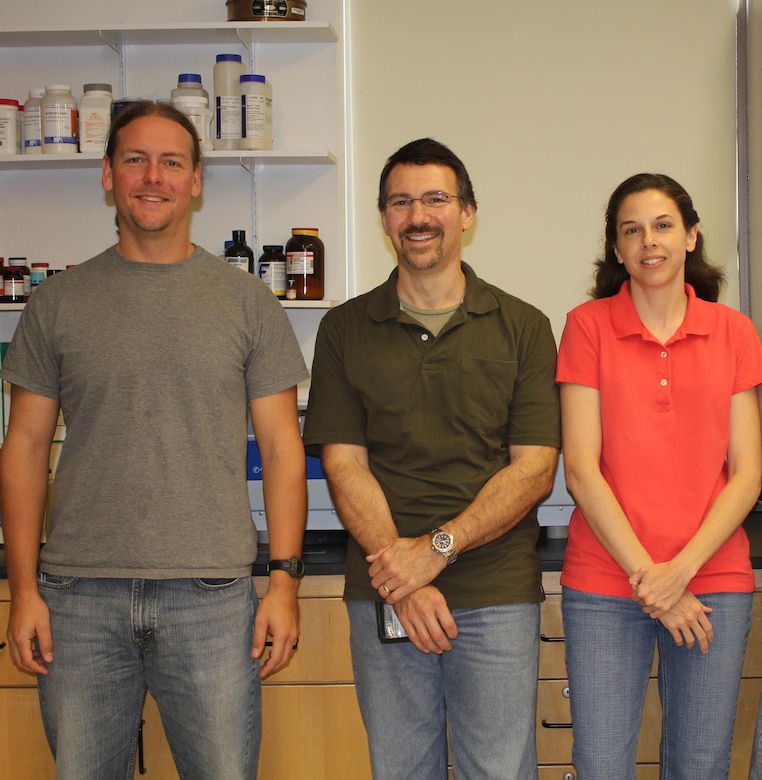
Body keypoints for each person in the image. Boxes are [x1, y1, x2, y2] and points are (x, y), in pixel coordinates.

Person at [0, 102, 309, 779]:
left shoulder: (247, 302)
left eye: (172, 162)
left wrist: (283, 583)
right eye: (135, 159)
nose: (153, 176)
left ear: (196, 181)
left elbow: (284, 452)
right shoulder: (57, 303)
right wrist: (23, 590)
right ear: (108, 174)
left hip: (212, 596)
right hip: (77, 599)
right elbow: (22, 450)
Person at [303, 137, 561, 779]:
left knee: (499, 770)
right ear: (385, 218)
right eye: (400, 202)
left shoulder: (523, 326)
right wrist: (403, 576)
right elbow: (344, 465)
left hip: (495, 591)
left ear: (467, 213)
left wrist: (436, 550)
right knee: (401, 769)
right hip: (385, 588)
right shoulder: (344, 329)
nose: (418, 216)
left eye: (436, 199)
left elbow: (533, 469)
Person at [556, 172, 762, 780]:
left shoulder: (734, 331)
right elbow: (581, 469)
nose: (650, 241)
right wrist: (655, 580)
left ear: (692, 236)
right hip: (605, 581)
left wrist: (680, 573)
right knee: (601, 766)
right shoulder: (587, 326)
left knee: (699, 765)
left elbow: (748, 473)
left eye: (664, 225)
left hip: (713, 580)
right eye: (632, 230)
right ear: (616, 250)